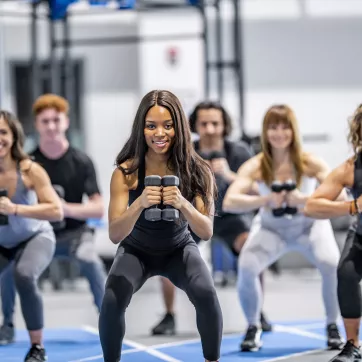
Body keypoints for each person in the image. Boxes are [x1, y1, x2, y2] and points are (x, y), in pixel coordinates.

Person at [98, 90, 223, 362]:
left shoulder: (197, 170)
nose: (160, 133)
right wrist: (139, 203)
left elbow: (205, 231)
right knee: (111, 300)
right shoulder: (126, 173)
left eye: (168, 126)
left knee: (206, 293)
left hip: (178, 249)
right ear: (141, 129)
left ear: (179, 128)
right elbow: (115, 233)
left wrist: (183, 204)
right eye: (151, 126)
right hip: (136, 251)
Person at [222, 104, 343, 352]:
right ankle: (253, 327)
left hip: (309, 226)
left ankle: (332, 325)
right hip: (271, 228)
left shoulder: (310, 162)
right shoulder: (256, 166)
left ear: (293, 130)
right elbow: (230, 201)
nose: (279, 133)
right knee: (246, 265)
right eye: (273, 127)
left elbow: (340, 198)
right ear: (265, 133)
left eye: (284, 127)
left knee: (331, 264)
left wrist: (303, 200)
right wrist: (265, 200)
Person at [151, 100, 272, 337]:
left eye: (215, 123)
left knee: (251, 250)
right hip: (193, 216)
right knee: (166, 252)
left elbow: (259, 191)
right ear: (195, 125)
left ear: (224, 125)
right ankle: (169, 315)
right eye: (204, 123)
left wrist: (228, 175)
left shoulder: (239, 152)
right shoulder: (184, 151)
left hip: (230, 217)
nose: (209, 129)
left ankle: (257, 312)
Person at [0, 94, 107, 345]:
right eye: (44, 121)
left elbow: (98, 209)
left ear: (65, 122)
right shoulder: (26, 162)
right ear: (36, 125)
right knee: (10, 269)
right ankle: (7, 323)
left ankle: (108, 318)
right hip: (32, 234)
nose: (50, 126)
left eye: (55, 120)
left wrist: (63, 208)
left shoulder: (81, 161)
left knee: (89, 258)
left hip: (74, 235)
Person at [0, 110, 63, 361]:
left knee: (24, 275)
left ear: (14, 136)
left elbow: (56, 210)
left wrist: (16, 209)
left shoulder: (30, 170)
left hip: (35, 237)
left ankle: (37, 348)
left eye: (3, 132)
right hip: (3, 243)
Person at [304, 104, 362, 362]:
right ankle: (352, 344)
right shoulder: (350, 168)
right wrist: (352, 205)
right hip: (361, 235)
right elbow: (312, 205)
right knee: (346, 273)